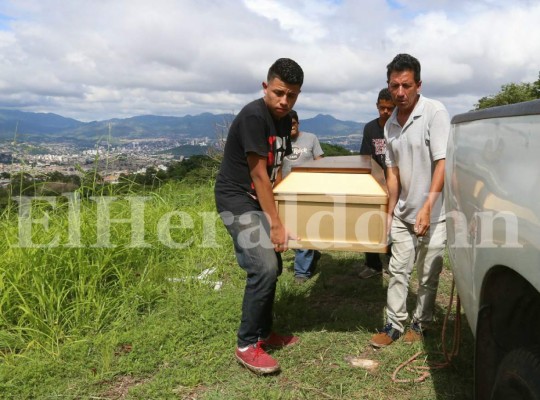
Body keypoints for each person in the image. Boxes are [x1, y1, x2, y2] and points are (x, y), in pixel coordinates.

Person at [214, 58, 304, 374]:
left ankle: (264, 332)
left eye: (292, 95)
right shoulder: (254, 117)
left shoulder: (285, 118)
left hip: (257, 199)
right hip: (237, 199)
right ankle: (246, 345)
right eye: (279, 92)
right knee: (263, 266)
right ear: (266, 86)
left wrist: (284, 214)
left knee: (274, 265)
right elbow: (259, 175)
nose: (284, 101)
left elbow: (276, 172)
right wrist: (276, 225)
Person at [369, 53, 450, 348]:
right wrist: (389, 212)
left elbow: (442, 163)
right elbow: (392, 173)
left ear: (418, 84)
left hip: (436, 212)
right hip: (404, 213)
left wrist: (428, 207)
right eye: (394, 86)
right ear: (388, 86)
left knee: (428, 274)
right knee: (398, 270)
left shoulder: (434, 112)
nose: (400, 93)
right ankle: (394, 324)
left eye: (406, 85)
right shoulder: (390, 124)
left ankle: (421, 322)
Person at [281, 109, 324, 284]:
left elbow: (321, 162)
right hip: (285, 191)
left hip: (308, 191)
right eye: (287, 124)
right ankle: (311, 253)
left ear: (298, 123)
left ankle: (301, 272)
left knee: (304, 229)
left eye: (293, 123)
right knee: (290, 229)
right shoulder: (279, 141)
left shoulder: (311, 138)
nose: (291, 127)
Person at [357, 88, 394, 279]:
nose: (386, 112)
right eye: (382, 108)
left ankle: (391, 262)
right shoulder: (370, 128)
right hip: (374, 184)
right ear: (377, 106)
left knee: (392, 225)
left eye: (390, 108)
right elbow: (365, 158)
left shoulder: (399, 127)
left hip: (396, 185)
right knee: (369, 223)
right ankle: (372, 264)